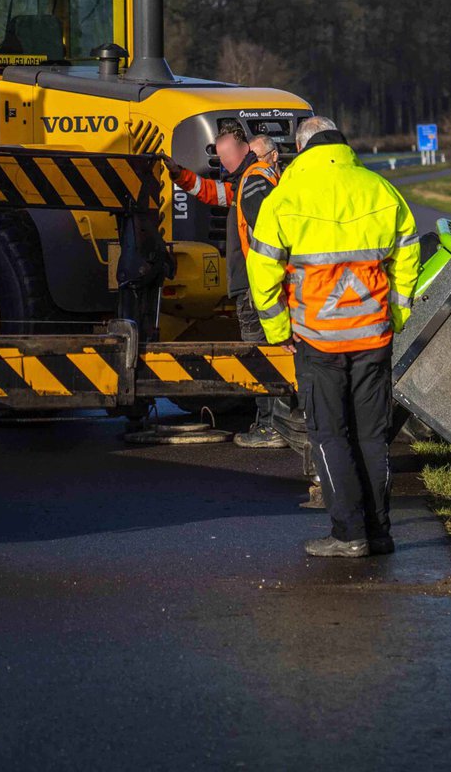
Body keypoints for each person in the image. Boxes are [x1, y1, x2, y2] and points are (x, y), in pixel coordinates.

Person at [248, 115, 420, 558]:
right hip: (373, 335)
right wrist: (397, 312)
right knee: (371, 435)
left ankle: (348, 534)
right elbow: (408, 252)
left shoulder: (285, 196)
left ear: (302, 149)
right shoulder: (380, 189)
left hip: (317, 338)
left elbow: (262, 269)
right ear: (341, 143)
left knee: (329, 434)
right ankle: (380, 532)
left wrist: (277, 328)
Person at [163, 124, 282, 446]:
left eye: (228, 155)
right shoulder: (245, 181)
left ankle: (271, 427)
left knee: (261, 357)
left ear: (246, 150)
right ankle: (273, 424)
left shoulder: (254, 181)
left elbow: (270, 236)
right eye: (221, 157)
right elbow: (211, 193)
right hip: (255, 284)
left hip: (255, 286)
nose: (225, 162)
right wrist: (179, 175)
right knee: (268, 355)